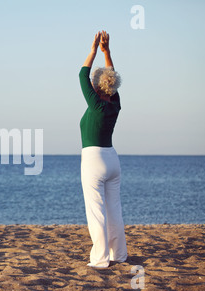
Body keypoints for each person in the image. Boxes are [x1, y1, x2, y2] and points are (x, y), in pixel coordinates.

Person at [79, 31, 128, 268]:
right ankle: (118, 255)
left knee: (96, 212)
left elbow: (81, 75)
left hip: (94, 160)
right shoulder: (114, 103)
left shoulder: (96, 103)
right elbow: (112, 78)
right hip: (112, 160)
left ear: (97, 87)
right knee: (114, 210)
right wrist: (107, 53)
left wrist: (92, 52)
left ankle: (100, 259)